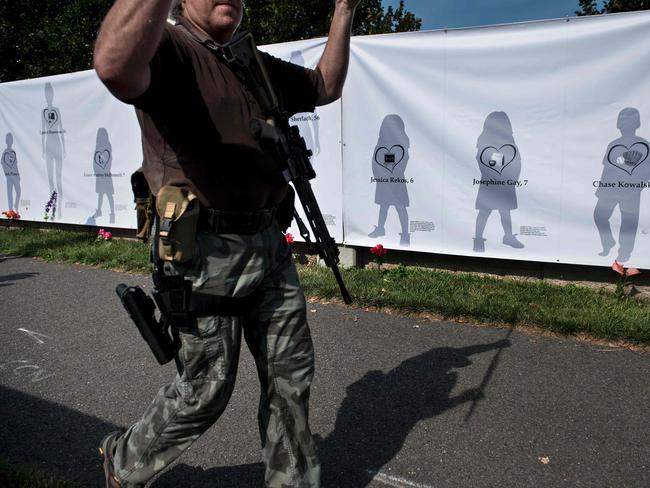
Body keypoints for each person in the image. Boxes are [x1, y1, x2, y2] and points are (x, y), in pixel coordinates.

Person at [93, 0, 360, 487]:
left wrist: (344, 10)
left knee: (291, 378)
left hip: (267, 242)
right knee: (205, 389)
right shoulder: (170, 46)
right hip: (202, 250)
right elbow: (114, 67)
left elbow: (324, 87)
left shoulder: (249, 61)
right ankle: (125, 460)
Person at [593, 107, 650, 262]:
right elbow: (607, 168)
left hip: (630, 191)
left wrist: (638, 186)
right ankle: (608, 242)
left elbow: (647, 170)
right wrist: (601, 190)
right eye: (622, 121)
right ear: (618, 124)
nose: (625, 124)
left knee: (629, 222)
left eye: (629, 121)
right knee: (599, 216)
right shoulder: (613, 144)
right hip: (610, 189)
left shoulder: (644, 145)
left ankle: (625, 252)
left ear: (636, 123)